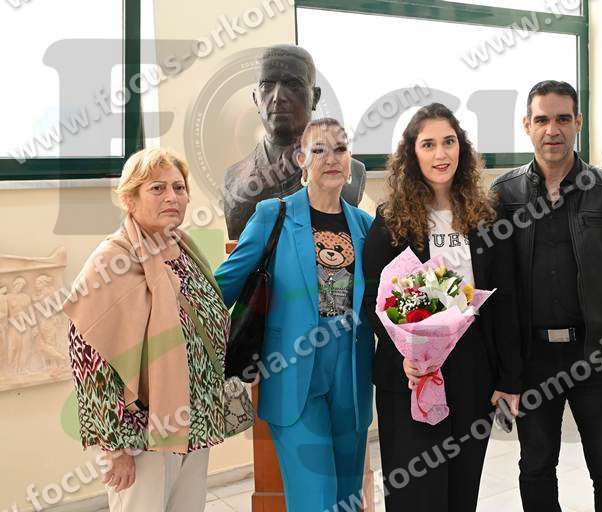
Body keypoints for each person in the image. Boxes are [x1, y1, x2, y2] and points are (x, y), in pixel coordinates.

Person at [490, 80, 602, 511]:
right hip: (532, 360)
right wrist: (503, 372)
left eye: (563, 118)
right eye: (542, 119)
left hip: (598, 355)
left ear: (578, 123)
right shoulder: (503, 195)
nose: (553, 129)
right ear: (526, 125)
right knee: (535, 467)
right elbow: (493, 291)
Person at [363, 103, 522, 511]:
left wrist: (509, 378)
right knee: (415, 490)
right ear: (412, 154)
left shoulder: (486, 218)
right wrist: (405, 356)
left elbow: (504, 302)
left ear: (461, 149)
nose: (440, 154)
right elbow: (373, 300)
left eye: (449, 142)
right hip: (412, 374)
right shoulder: (391, 220)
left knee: (461, 488)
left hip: (473, 370)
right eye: (429, 144)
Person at [215, 118, 374, 512]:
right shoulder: (274, 215)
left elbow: (389, 299)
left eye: (340, 149)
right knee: (315, 500)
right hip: (293, 375)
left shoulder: (366, 226)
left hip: (352, 378)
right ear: (302, 159)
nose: (331, 158)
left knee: (347, 500)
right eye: (319, 149)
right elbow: (224, 284)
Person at [63, 148, 232, 512]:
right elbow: (88, 363)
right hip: (141, 434)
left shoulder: (182, 250)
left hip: (191, 423)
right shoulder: (111, 262)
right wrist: (115, 449)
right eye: (157, 188)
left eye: (179, 187)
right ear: (129, 199)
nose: (172, 197)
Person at [223, 44, 366, 240]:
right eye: (267, 85)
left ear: (315, 97)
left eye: (293, 84)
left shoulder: (351, 172)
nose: (278, 97)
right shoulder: (234, 180)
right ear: (256, 99)